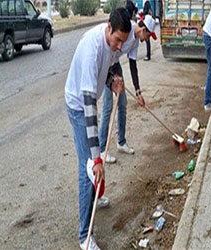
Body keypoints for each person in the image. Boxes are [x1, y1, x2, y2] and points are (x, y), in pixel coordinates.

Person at [65, 8, 131, 250]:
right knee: (88, 168)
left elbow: (107, 70)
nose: (120, 46)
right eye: (118, 40)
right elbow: (89, 108)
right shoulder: (93, 49)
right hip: (77, 105)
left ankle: (96, 195)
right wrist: (96, 158)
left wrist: (113, 80)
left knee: (95, 164)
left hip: (87, 102)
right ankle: (84, 237)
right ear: (109, 27)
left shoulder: (111, 45)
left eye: (123, 42)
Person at [99, 3, 157, 163]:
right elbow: (110, 47)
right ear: (144, 29)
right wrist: (111, 76)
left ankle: (121, 142)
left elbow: (133, 66)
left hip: (115, 65)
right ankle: (102, 150)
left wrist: (138, 92)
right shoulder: (127, 28)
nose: (147, 40)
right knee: (108, 107)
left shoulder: (136, 42)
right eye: (149, 36)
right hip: (106, 64)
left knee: (122, 104)